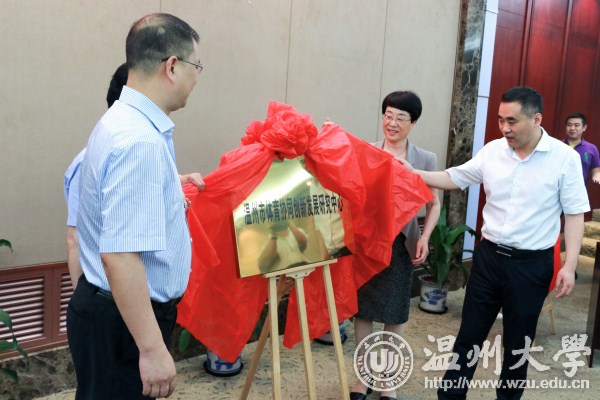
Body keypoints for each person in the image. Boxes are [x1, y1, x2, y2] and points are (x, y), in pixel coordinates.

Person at [404, 86, 589, 400]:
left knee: (518, 344)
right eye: (501, 119)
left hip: (531, 266)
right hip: (489, 259)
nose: (504, 128)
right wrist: (413, 173)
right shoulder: (493, 151)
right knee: (469, 336)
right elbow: (454, 177)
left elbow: (574, 216)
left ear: (536, 119)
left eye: (512, 121)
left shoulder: (564, 159)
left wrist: (569, 266)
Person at [67, 13, 205, 399]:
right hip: (124, 323)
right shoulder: (139, 141)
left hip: (110, 311)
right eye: (196, 66)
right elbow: (120, 255)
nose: (197, 78)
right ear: (172, 66)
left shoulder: (121, 121)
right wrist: (152, 348)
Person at [350, 91, 441, 400]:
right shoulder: (367, 152)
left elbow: (434, 204)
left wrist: (424, 237)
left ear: (413, 123)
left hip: (402, 246)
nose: (392, 123)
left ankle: (387, 379)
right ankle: (364, 377)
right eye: (388, 116)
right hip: (367, 244)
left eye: (401, 118)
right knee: (363, 312)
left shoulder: (425, 159)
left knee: (394, 314)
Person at [64, 63, 128, 290]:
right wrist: (81, 298)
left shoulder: (128, 153)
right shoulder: (89, 161)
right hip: (104, 291)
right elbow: (74, 239)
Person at [564, 112, 600, 185]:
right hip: (557, 189)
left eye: (576, 125)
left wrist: (597, 176)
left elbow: (596, 169)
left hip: (579, 189)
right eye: (569, 125)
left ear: (584, 128)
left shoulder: (591, 148)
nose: (572, 128)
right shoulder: (558, 146)